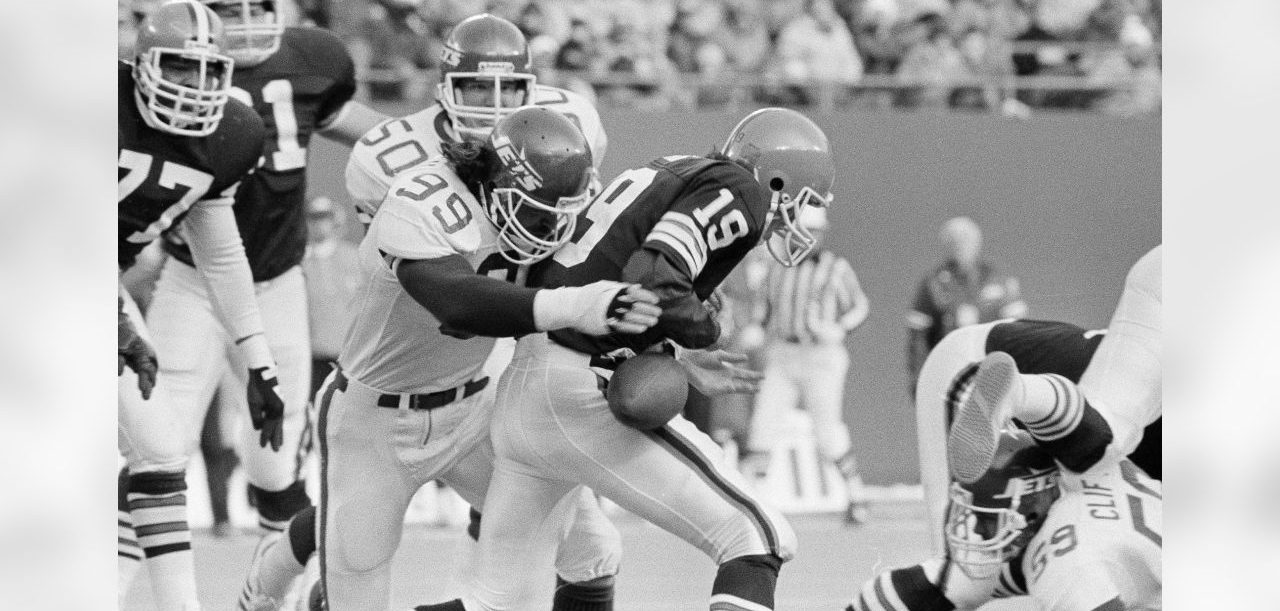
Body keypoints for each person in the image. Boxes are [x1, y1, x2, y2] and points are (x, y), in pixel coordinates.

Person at [414, 107, 836, 611]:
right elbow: (655, 273)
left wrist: (673, 346)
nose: (798, 216)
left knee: (498, 601)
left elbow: (623, 272)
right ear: (777, 179)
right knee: (756, 537)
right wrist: (704, 330)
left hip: (528, 384)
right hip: (581, 386)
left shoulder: (669, 169)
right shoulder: (738, 187)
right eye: (802, 200)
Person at [243, 106, 664, 611]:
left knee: (592, 550)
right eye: (536, 209)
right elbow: (459, 301)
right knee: (355, 574)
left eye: (559, 212)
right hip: (373, 419)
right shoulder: (419, 201)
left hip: (473, 407)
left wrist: (675, 329)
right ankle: (265, 584)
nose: (550, 227)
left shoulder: (544, 212)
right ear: (494, 180)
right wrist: (578, 305)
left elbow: (623, 274)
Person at [137, 0, 388, 572]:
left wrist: (423, 142)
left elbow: (349, 121)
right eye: (231, 11)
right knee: (155, 448)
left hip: (275, 282)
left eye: (258, 8)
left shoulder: (310, 62)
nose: (247, 23)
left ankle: (278, 590)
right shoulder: (180, 69)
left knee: (277, 464)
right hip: (191, 278)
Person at [118, 0, 283, 611]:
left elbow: (218, 249)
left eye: (211, 72)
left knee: (161, 449)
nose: (197, 86)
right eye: (181, 69)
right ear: (141, 65)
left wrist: (258, 358)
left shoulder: (234, 135)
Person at [913, 317, 1162, 556]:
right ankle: (1019, 394)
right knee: (957, 569)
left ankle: (1021, 394)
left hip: (1024, 367)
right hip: (972, 365)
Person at [844, 429, 1161, 611]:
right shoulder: (1092, 463)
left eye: (989, 516)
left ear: (1035, 500)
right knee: (942, 583)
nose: (979, 529)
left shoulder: (1063, 559)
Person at [346, 12, 607, 228]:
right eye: (479, 87)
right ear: (449, 90)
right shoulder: (389, 158)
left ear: (527, 91)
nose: (495, 102)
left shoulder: (571, 120)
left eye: (507, 87)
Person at [946, 245, 1162, 484]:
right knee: (1100, 449)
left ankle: (1022, 394)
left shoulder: (993, 278)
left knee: (1103, 442)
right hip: (978, 357)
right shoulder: (941, 282)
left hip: (986, 357)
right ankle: (1019, 395)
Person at [743, 205, 872, 524]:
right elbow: (765, 307)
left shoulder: (835, 267)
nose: (810, 238)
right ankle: (751, 503)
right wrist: (758, 328)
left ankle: (856, 496)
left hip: (821, 356)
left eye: (815, 232)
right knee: (763, 423)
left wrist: (840, 329)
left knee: (827, 430)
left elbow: (859, 306)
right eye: (805, 232)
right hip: (784, 353)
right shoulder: (776, 266)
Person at [906, 216, 1027, 398]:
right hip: (950, 371)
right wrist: (919, 379)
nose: (961, 246)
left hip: (993, 369)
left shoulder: (998, 279)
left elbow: (1019, 331)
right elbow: (918, 338)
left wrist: (1022, 372)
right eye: (954, 241)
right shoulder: (933, 283)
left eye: (966, 240)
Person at [301, 196, 362, 398]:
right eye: (314, 218)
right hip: (313, 355)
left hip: (348, 356)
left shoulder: (353, 257)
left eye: (324, 217)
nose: (319, 224)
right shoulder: (301, 262)